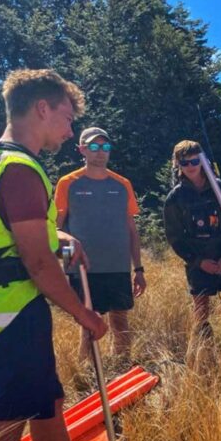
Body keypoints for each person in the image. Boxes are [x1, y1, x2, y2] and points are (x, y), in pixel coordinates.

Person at [0, 69, 107, 441]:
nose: (68, 128)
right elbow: (38, 262)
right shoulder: (20, 168)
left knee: (46, 403)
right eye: (65, 116)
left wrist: (57, 234)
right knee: (4, 423)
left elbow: (17, 235)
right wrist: (85, 315)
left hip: (10, 312)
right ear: (41, 108)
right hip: (10, 314)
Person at [55, 126, 145, 361]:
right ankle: (86, 374)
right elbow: (57, 228)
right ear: (82, 149)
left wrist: (139, 269)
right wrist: (68, 268)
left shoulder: (122, 184)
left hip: (117, 266)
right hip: (84, 269)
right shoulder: (68, 183)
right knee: (88, 324)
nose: (100, 152)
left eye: (105, 147)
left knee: (120, 321)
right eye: (94, 146)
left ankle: (122, 368)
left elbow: (131, 230)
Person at [162, 140, 221, 360]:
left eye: (195, 160)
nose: (190, 165)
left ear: (203, 161)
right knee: (201, 313)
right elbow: (175, 238)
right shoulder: (175, 198)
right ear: (178, 164)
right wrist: (198, 261)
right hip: (198, 263)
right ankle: (206, 358)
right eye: (185, 162)